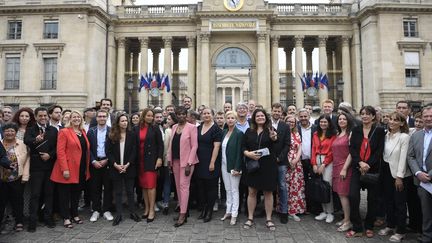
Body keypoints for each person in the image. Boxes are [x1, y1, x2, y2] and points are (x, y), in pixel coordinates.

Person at [346, 106, 385, 238]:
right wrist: (360, 163)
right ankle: (357, 226)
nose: (364, 116)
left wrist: (368, 164)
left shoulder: (379, 131)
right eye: (362, 114)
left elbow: (379, 151)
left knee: (372, 199)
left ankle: (369, 226)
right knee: (353, 196)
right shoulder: (356, 130)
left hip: (372, 170)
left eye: (368, 114)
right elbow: (352, 149)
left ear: (373, 116)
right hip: (358, 168)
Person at [50, 111, 90, 229]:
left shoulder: (83, 132)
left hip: (80, 168)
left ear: (81, 119)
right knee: (64, 195)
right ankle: (66, 217)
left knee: (76, 193)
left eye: (78, 117)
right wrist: (64, 169)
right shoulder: (64, 131)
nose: (76, 119)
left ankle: (75, 214)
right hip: (67, 168)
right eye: (74, 117)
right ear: (70, 119)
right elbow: (60, 152)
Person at [242, 109, 278, 231]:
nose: (260, 117)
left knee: (268, 192)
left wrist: (274, 138)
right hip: (253, 165)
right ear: (254, 118)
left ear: (266, 118)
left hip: (268, 166)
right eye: (257, 116)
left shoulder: (271, 130)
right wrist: (248, 154)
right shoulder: (249, 131)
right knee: (252, 192)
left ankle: (269, 219)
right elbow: (243, 147)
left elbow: (276, 143)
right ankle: (250, 217)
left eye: (262, 115)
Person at [24, 107, 58, 232]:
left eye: (45, 116)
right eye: (40, 116)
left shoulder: (53, 130)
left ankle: (48, 218)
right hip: (36, 167)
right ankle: (32, 221)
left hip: (50, 166)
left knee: (49, 194)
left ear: (48, 117)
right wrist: (35, 140)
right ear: (36, 116)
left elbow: (57, 147)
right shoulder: (31, 129)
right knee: (35, 194)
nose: (43, 118)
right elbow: (26, 140)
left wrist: (50, 155)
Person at [378, 112, 410, 242]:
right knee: (388, 201)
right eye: (390, 119)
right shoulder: (385, 135)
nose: (391, 122)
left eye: (395, 120)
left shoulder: (404, 137)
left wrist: (399, 177)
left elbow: (403, 158)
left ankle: (401, 231)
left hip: (398, 174)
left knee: (400, 203)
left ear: (402, 123)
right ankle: (390, 225)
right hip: (386, 171)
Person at [106, 113, 141, 226]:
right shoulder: (111, 135)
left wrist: (127, 165)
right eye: (122, 121)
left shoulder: (132, 134)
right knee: (118, 192)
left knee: (130, 191)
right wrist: (115, 165)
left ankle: (132, 212)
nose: (125, 122)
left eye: (126, 120)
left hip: (129, 167)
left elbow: (134, 151)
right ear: (118, 122)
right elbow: (109, 152)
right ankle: (119, 214)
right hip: (115, 167)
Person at [167, 106, 199, 227]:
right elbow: (171, 144)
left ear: (186, 115)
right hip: (175, 161)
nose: (181, 116)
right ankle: (182, 209)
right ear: (176, 115)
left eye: (183, 114)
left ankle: (183, 214)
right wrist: (169, 159)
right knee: (178, 187)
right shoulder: (174, 127)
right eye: (178, 114)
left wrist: (189, 163)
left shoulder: (192, 128)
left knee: (184, 187)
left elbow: (194, 146)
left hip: (187, 163)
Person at [407, 105, 432, 243]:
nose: (428, 119)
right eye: (426, 116)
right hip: (422, 182)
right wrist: (418, 172)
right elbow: (410, 156)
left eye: (431, 116)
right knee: (426, 212)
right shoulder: (416, 135)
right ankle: (427, 237)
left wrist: (429, 174)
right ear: (421, 118)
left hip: (428, 178)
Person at [0, 123, 30, 232]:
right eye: (7, 130)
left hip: (16, 178)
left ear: (16, 132)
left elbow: (27, 161)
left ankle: (19, 221)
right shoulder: (0, 144)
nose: (9, 133)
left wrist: (25, 176)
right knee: (1, 203)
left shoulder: (21, 144)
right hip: (2, 180)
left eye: (12, 131)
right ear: (3, 132)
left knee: (17, 202)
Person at [135, 108, 163, 223]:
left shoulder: (155, 128)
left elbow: (160, 145)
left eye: (152, 116)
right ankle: (146, 208)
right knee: (144, 186)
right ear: (144, 116)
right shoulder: (136, 128)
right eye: (149, 115)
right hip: (139, 161)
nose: (151, 118)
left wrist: (159, 158)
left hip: (151, 160)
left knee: (151, 186)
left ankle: (152, 210)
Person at [195, 108, 222, 223]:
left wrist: (212, 162)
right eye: (204, 113)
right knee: (201, 187)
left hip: (211, 161)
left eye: (208, 113)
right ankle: (204, 209)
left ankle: (210, 211)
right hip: (199, 161)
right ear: (201, 115)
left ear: (212, 115)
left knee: (211, 187)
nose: (206, 115)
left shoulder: (216, 129)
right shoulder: (198, 128)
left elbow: (216, 146)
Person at [87, 110, 114, 222]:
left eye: (104, 116)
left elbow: (114, 148)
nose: (102, 118)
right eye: (100, 116)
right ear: (96, 118)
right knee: (95, 188)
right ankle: (96, 210)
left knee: (108, 187)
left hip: (107, 162)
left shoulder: (112, 131)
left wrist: (107, 160)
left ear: (107, 118)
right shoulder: (91, 131)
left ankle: (107, 210)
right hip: (95, 163)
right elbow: (88, 148)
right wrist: (93, 161)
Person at [311, 114, 337, 223]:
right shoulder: (316, 134)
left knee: (327, 186)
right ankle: (324, 211)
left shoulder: (333, 135)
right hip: (317, 159)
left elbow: (332, 151)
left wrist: (323, 164)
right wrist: (314, 164)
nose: (323, 124)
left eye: (325, 122)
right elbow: (313, 149)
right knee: (320, 187)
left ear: (329, 123)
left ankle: (330, 212)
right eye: (321, 122)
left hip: (328, 162)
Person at [220, 111, 243, 225]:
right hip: (224, 165)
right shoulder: (224, 132)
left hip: (234, 166)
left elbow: (240, 152)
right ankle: (228, 211)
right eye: (228, 118)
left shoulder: (239, 133)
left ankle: (234, 214)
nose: (230, 120)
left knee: (234, 190)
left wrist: (238, 168)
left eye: (232, 118)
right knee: (227, 189)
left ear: (236, 120)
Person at [332, 112, 354, 231]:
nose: (341, 121)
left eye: (344, 119)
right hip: (336, 166)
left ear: (348, 121)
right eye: (340, 119)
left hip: (345, 167)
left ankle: (348, 221)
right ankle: (346, 218)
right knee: (340, 194)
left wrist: (345, 168)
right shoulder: (338, 134)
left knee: (343, 194)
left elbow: (351, 153)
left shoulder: (350, 134)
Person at [270, 103, 291, 224]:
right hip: (268, 161)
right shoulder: (267, 124)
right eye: (275, 111)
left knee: (282, 186)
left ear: (281, 113)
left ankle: (284, 211)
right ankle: (270, 209)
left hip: (281, 161)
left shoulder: (285, 126)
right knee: (269, 186)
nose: (276, 113)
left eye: (279, 111)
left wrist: (279, 158)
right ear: (271, 111)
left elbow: (287, 144)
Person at [284, 114, 305, 222]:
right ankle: (285, 209)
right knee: (286, 187)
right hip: (285, 162)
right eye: (289, 121)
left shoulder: (296, 133)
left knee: (295, 187)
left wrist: (296, 159)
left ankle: (294, 210)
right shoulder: (282, 132)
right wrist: (287, 161)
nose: (291, 123)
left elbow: (300, 147)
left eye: (293, 122)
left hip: (296, 163)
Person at [297, 108, 318, 214]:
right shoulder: (296, 128)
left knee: (314, 183)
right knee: (302, 184)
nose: (303, 118)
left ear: (309, 116)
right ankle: (304, 207)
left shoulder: (315, 128)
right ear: (298, 117)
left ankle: (314, 207)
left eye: (305, 116)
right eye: (301, 116)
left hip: (313, 160)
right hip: (300, 161)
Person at [159, 112, 178, 215]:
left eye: (169, 119)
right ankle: (179, 203)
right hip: (178, 160)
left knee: (167, 182)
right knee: (177, 183)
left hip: (169, 160)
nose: (167, 121)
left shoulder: (168, 131)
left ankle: (166, 203)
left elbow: (166, 147)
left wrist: (163, 160)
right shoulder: (180, 129)